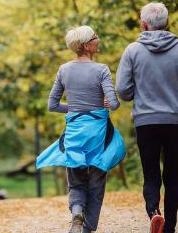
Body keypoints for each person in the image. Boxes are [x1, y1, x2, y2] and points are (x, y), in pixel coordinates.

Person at [116, 2, 178, 233]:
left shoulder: (132, 51)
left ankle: (154, 213)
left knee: (150, 173)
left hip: (146, 121)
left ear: (143, 23)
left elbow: (122, 90)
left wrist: (135, 94)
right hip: (175, 120)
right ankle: (170, 228)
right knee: (171, 174)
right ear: (166, 22)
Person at [36, 25, 125, 233]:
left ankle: (76, 212)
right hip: (98, 135)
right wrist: (100, 104)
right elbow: (113, 104)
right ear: (87, 45)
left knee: (76, 179)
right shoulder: (101, 69)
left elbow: (53, 105)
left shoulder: (64, 70)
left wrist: (75, 107)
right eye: (95, 37)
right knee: (96, 183)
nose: (98, 39)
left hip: (74, 134)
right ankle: (87, 229)